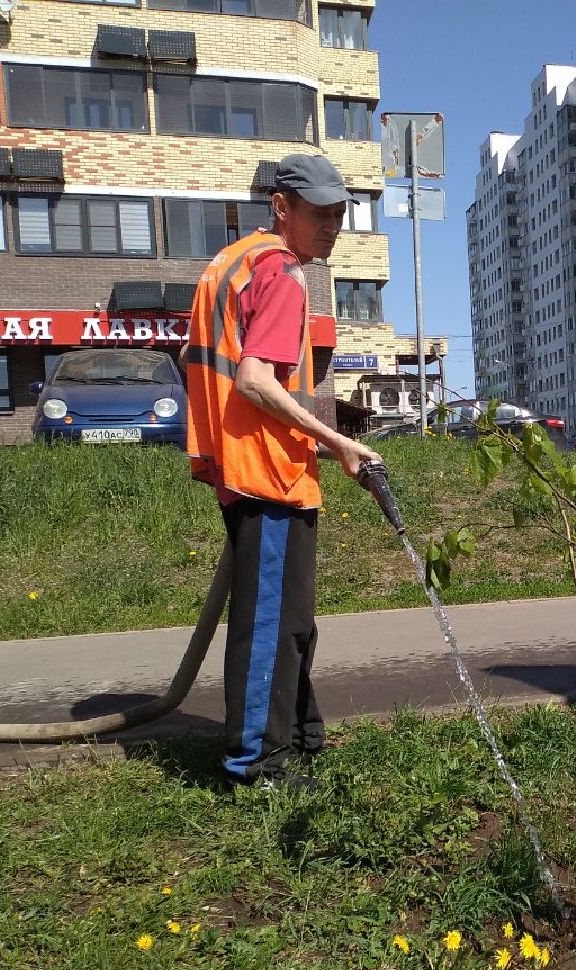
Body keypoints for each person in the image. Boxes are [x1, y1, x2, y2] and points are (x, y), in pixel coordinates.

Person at [185, 153, 382, 790]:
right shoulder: (283, 277)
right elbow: (254, 380)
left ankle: (299, 735)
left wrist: (318, 446)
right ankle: (258, 762)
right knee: (271, 623)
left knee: (289, 618)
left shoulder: (234, 261)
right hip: (265, 474)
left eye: (338, 215)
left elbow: (247, 390)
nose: (331, 226)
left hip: (255, 462)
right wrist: (339, 441)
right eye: (319, 213)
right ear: (282, 207)